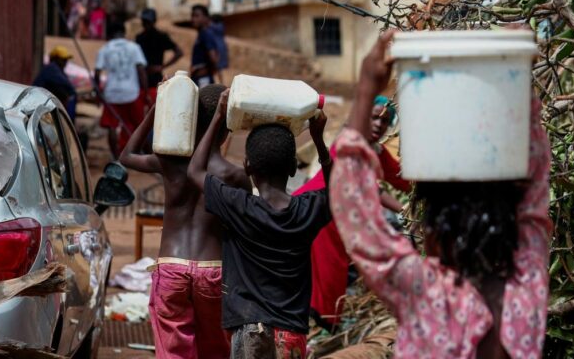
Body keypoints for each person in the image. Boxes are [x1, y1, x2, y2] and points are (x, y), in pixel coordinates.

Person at [329, 32, 551, 358]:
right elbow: (535, 193)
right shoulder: (527, 290)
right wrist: (514, 85)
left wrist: (365, 90)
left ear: (436, 234)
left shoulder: (427, 295)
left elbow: (357, 215)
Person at [187, 89, 333, 359]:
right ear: (293, 168)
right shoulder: (308, 209)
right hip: (291, 332)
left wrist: (219, 117)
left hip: (248, 328)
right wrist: (319, 141)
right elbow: (339, 192)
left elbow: (195, 170)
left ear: (247, 166)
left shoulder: (239, 206)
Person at [119, 84, 248, 359]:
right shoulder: (234, 175)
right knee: (216, 351)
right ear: (227, 129)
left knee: (174, 353)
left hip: (171, 267)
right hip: (214, 270)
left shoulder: (170, 161)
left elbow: (127, 155)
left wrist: (158, 107)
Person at [292, 95, 410, 326]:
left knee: (330, 272)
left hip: (335, 213)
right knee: (329, 271)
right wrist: (404, 208)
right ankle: (323, 323)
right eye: (374, 117)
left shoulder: (375, 150)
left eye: (385, 121)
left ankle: (320, 320)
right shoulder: (349, 143)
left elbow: (402, 179)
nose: (379, 124)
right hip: (319, 208)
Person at [95, 22, 148, 158]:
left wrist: (98, 93)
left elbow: (97, 72)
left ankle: (115, 157)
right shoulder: (134, 47)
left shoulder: (104, 49)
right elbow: (141, 70)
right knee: (138, 124)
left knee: (112, 126)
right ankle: (135, 154)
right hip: (132, 92)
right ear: (124, 33)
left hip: (111, 93)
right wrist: (145, 92)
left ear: (110, 34)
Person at [135, 8, 184, 105]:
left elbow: (179, 52)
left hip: (155, 80)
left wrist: (162, 66)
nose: (145, 24)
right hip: (140, 81)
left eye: (148, 21)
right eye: (144, 21)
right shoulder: (139, 37)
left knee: (155, 110)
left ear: (154, 21)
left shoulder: (161, 36)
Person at [33, 46, 78, 119]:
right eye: (63, 60)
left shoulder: (57, 70)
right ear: (55, 59)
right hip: (38, 103)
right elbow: (68, 85)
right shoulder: (52, 68)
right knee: (72, 97)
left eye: (66, 60)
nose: (65, 62)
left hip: (44, 103)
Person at [189, 5, 221, 87]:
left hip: (203, 80)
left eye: (197, 16)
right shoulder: (201, 35)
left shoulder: (206, 34)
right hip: (199, 78)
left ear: (206, 18)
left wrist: (207, 70)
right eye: (192, 16)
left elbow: (214, 58)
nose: (193, 19)